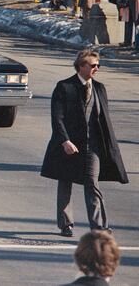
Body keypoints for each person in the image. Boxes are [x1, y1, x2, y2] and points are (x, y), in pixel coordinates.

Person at [41, 50, 128, 238]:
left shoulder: (99, 88)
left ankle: (99, 227)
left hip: (92, 147)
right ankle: (66, 224)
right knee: (65, 182)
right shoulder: (64, 87)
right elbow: (57, 118)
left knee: (92, 183)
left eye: (98, 65)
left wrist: (108, 147)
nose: (96, 68)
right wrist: (65, 141)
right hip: (69, 145)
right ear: (81, 66)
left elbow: (103, 120)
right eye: (93, 65)